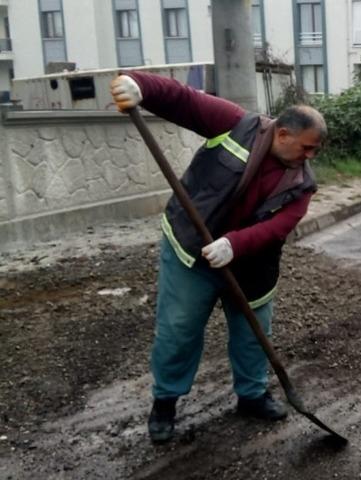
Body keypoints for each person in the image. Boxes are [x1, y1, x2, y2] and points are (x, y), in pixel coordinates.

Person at [109, 72, 326, 444]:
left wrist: (234, 244)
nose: (309, 157)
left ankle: (252, 395)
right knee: (179, 329)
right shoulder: (235, 124)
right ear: (283, 133)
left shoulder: (302, 182)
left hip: (251, 263)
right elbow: (183, 99)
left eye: (315, 151)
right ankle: (165, 401)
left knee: (253, 335)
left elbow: (279, 227)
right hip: (191, 249)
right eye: (306, 148)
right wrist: (139, 86)